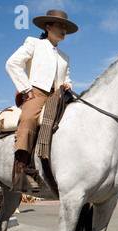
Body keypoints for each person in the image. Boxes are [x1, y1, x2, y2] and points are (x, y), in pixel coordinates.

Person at [6, 10, 78, 191]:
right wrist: (26, 88)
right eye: (60, 26)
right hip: (36, 93)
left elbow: (66, 78)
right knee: (29, 119)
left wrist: (67, 85)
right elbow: (12, 63)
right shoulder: (34, 43)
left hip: (57, 96)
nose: (64, 30)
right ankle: (21, 169)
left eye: (65, 27)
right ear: (48, 27)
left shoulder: (65, 57)